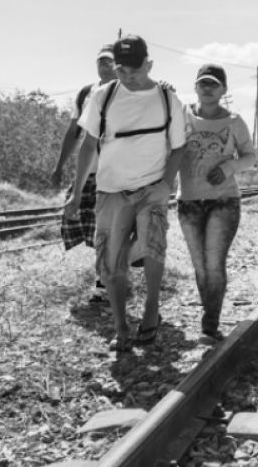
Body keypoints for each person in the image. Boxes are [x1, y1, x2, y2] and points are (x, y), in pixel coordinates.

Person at [65, 34, 186, 352]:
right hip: (111, 189)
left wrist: (166, 183)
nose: (130, 76)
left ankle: (150, 308)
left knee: (153, 246)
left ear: (149, 64)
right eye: (123, 70)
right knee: (110, 262)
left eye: (136, 69)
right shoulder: (102, 97)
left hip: (152, 188)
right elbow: (88, 144)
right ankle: (120, 328)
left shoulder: (167, 99)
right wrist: (76, 193)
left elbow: (179, 148)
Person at [177, 63, 256, 345]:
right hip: (187, 202)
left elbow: (250, 156)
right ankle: (208, 317)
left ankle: (209, 325)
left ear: (224, 89)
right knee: (200, 266)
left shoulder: (234, 122)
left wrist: (228, 167)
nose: (208, 88)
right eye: (203, 83)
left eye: (214, 84)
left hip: (223, 202)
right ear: (196, 86)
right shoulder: (182, 115)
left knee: (213, 264)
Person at [53, 44, 117, 300]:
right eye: (101, 61)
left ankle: (107, 278)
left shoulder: (129, 92)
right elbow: (74, 133)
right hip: (91, 170)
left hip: (117, 171)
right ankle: (106, 276)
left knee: (110, 226)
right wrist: (59, 166)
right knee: (92, 226)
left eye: (110, 61)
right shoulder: (87, 93)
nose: (105, 65)